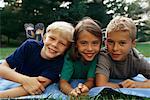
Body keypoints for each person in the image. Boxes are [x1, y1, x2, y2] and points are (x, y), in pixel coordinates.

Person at [0, 21, 74, 98]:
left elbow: (37, 87)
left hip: (24, 85)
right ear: (45, 38)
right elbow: (2, 68)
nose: (54, 45)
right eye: (52, 38)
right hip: (19, 78)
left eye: (62, 43)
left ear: (66, 49)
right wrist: (25, 80)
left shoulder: (59, 62)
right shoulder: (29, 46)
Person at [96, 16, 150, 88]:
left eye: (122, 43)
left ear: (133, 44)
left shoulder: (137, 59)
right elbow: (101, 84)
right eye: (110, 42)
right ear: (105, 41)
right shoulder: (104, 56)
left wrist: (137, 84)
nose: (115, 48)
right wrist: (122, 86)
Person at [60, 17, 102, 97]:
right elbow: (63, 82)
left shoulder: (97, 57)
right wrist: (71, 91)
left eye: (95, 43)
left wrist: (84, 87)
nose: (90, 49)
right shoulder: (70, 56)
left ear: (101, 43)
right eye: (83, 43)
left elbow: (90, 80)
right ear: (76, 44)